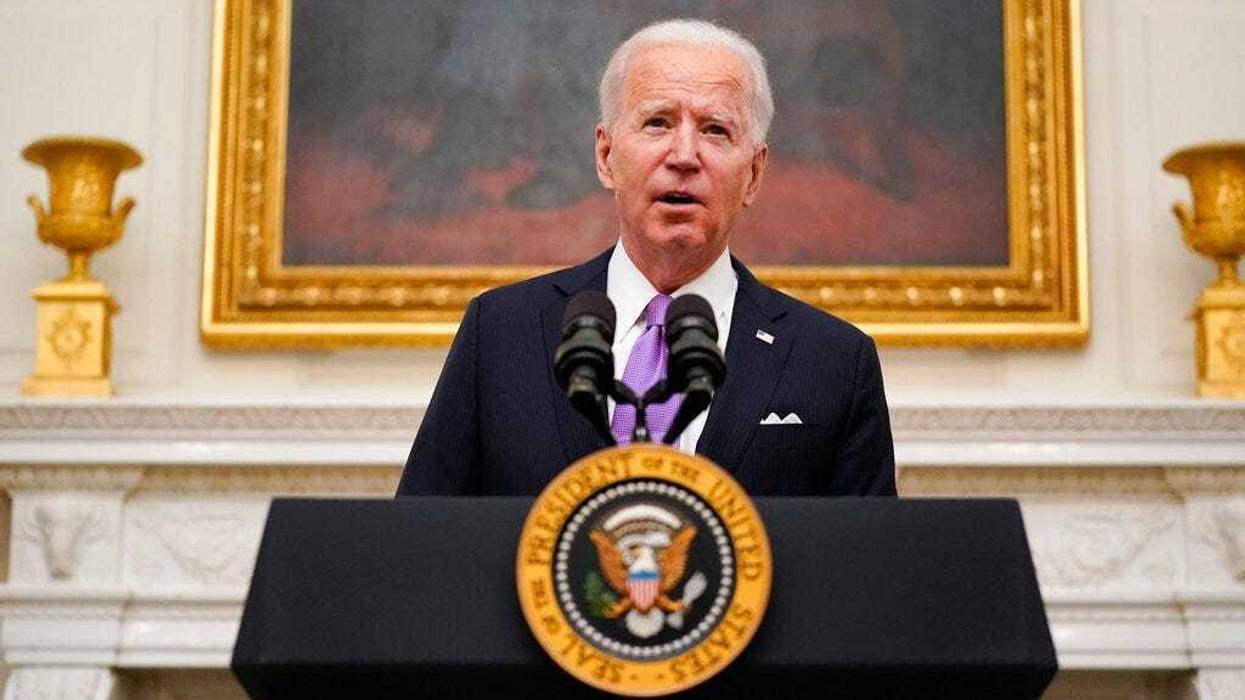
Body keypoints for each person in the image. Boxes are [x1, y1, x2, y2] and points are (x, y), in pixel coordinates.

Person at [397, 19, 895, 497]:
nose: (684, 155)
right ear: (606, 156)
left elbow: (861, 568)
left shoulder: (833, 361)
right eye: (657, 123)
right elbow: (423, 537)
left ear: (755, 173)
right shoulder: (502, 331)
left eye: (716, 130)